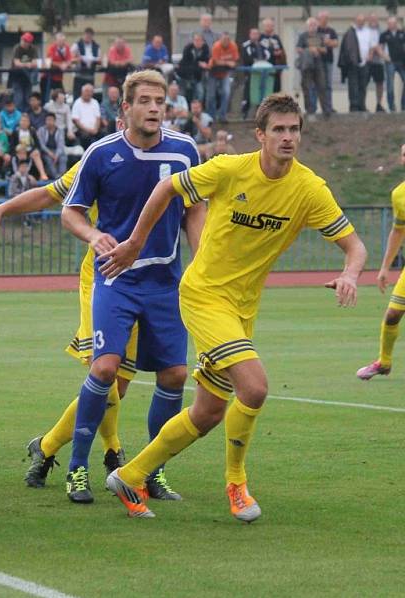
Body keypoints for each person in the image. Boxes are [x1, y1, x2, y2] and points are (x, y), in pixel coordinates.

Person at [102, 92, 366, 522]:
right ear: (260, 135)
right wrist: (134, 242)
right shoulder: (229, 169)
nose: (287, 138)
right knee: (255, 387)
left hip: (243, 308)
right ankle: (237, 484)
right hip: (204, 294)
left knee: (207, 413)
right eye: (278, 129)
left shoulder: (309, 189)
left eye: (294, 129)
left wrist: (351, 273)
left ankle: (131, 475)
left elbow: (354, 246)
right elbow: (167, 187)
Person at [58, 70, 204, 504]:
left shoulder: (184, 150)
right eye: (145, 100)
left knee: (176, 374)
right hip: (116, 279)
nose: (155, 107)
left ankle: (150, 470)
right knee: (104, 368)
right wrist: (93, 236)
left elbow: (195, 209)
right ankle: (77, 468)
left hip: (165, 282)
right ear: (125, 108)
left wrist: (202, 259)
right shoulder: (101, 154)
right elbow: (71, 212)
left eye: (160, 100)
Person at [357, 144, 405, 379]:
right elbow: (398, 231)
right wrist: (385, 267)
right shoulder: (399, 194)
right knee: (393, 315)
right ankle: (384, 363)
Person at [297, 18, 330, 119]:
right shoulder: (303, 36)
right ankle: (309, 110)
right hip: (306, 65)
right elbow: (298, 49)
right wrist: (309, 50)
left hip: (318, 64)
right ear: (307, 26)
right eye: (311, 24)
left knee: (322, 87)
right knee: (307, 87)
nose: (312, 26)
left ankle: (326, 111)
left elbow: (325, 50)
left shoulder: (321, 36)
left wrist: (318, 49)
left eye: (314, 24)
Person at [207, 32, 239, 123]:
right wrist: (228, 62)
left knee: (226, 93)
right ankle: (211, 116)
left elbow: (235, 60)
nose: (226, 42)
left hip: (225, 73)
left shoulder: (233, 46)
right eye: (224, 40)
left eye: (228, 40)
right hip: (213, 72)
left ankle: (222, 115)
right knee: (211, 95)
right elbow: (216, 61)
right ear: (220, 40)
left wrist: (227, 63)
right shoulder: (216, 46)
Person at [240, 28, 271, 119]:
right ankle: (244, 113)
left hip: (262, 73)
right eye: (253, 34)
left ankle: (261, 114)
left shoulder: (262, 45)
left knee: (261, 91)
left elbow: (268, 54)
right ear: (249, 35)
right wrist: (256, 61)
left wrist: (263, 60)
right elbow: (247, 57)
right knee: (248, 93)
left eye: (257, 34)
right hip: (250, 73)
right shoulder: (246, 45)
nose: (255, 36)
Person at [339, 14, 366, 112]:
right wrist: (353, 61)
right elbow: (348, 49)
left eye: (362, 21)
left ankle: (362, 105)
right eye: (359, 20)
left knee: (362, 86)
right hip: (353, 64)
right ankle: (354, 106)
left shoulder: (365, 32)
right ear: (355, 21)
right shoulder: (350, 32)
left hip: (364, 63)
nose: (361, 22)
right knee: (353, 85)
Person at [9, 113, 48, 180]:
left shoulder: (32, 131)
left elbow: (38, 145)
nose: (24, 123)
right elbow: (12, 146)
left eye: (26, 121)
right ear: (19, 122)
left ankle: (43, 174)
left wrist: (33, 151)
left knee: (36, 154)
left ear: (29, 122)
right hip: (19, 151)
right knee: (20, 153)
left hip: (30, 152)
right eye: (22, 121)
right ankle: (18, 175)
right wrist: (18, 150)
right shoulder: (15, 132)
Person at [380, 16, 405, 112]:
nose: (391, 25)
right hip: (390, 63)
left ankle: (403, 105)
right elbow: (380, 48)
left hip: (402, 62)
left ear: (396, 23)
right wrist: (385, 57)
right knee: (390, 85)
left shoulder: (402, 33)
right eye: (389, 23)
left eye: (392, 23)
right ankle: (391, 106)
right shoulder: (384, 34)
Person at [362, 14, 386, 113]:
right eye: (371, 18)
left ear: (377, 20)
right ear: (368, 20)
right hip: (366, 61)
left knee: (379, 83)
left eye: (375, 19)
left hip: (378, 61)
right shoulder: (364, 31)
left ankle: (379, 104)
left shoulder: (382, 31)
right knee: (363, 83)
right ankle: (362, 105)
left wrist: (375, 49)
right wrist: (371, 49)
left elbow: (383, 46)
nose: (373, 20)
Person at [178, 33, 210, 104]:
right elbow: (186, 62)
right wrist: (198, 64)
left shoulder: (205, 49)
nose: (198, 42)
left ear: (203, 41)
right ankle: (184, 108)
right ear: (193, 41)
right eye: (196, 40)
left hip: (198, 75)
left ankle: (197, 109)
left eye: (199, 40)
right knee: (183, 93)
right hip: (185, 74)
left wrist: (203, 65)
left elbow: (206, 62)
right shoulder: (188, 48)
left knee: (200, 93)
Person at [316, 11, 338, 113]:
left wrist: (328, 42)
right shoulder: (315, 30)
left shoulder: (331, 31)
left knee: (328, 85)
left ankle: (328, 107)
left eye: (326, 18)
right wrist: (321, 46)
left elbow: (336, 43)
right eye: (323, 18)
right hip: (317, 62)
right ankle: (315, 108)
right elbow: (312, 44)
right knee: (317, 84)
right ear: (319, 19)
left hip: (328, 60)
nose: (325, 20)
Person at [9, 33, 38, 111]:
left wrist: (27, 65)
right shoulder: (17, 48)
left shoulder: (33, 49)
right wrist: (27, 64)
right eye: (23, 40)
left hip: (28, 77)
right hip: (17, 77)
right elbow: (16, 63)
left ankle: (26, 116)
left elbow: (35, 62)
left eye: (26, 41)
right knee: (19, 98)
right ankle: (19, 116)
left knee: (27, 98)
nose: (24, 43)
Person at [72, 28, 101, 100]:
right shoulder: (77, 45)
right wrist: (78, 59)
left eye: (90, 36)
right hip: (79, 75)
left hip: (90, 76)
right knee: (77, 97)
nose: (88, 37)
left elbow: (99, 59)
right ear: (84, 35)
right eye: (87, 35)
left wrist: (95, 60)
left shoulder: (96, 46)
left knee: (90, 97)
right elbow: (70, 58)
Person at [43, 32, 72, 102]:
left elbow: (69, 59)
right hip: (48, 76)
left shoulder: (67, 48)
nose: (61, 43)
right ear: (56, 41)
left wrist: (66, 64)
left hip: (58, 78)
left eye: (63, 41)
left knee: (62, 97)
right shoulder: (52, 48)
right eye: (59, 41)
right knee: (45, 98)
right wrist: (60, 65)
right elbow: (49, 61)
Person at [260, 18, 286, 94]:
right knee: (265, 90)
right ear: (264, 26)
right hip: (264, 68)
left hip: (276, 68)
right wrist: (272, 52)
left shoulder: (276, 37)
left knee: (276, 90)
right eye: (268, 25)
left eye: (271, 25)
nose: (270, 27)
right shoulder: (260, 38)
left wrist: (280, 53)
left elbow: (282, 50)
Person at [71, 83, 101, 148]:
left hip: (95, 130)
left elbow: (98, 118)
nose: (88, 93)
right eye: (87, 91)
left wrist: (95, 129)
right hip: (82, 130)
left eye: (91, 91)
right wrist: (89, 130)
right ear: (82, 92)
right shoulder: (77, 103)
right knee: (86, 137)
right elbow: (76, 121)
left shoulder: (95, 102)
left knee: (104, 135)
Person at [37, 112, 66, 179]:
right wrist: (50, 153)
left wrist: (56, 155)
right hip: (46, 151)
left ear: (54, 121)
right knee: (48, 159)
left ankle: (62, 176)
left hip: (57, 151)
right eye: (47, 120)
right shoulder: (41, 130)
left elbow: (61, 145)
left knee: (63, 157)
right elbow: (41, 145)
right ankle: (56, 176)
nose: (49, 122)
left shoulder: (60, 130)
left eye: (51, 120)